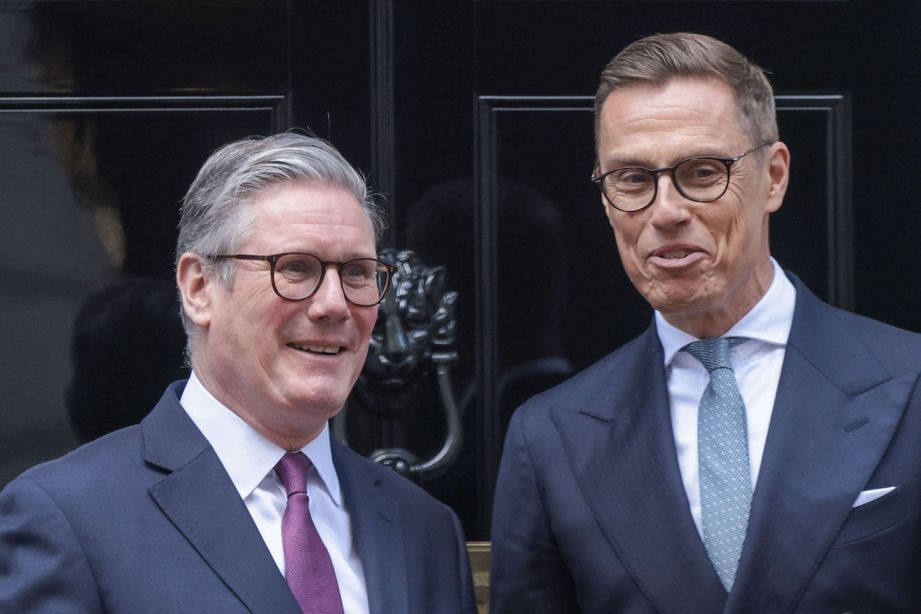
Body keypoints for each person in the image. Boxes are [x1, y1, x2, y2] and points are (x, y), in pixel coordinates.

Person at [489, 32, 921, 614]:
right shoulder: (550, 437)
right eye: (633, 179)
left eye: (701, 172)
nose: (665, 211)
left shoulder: (910, 384)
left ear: (773, 177)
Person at [0, 133, 476, 614]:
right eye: (296, 267)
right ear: (199, 287)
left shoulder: (425, 529)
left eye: (357, 272)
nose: (335, 304)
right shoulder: (69, 517)